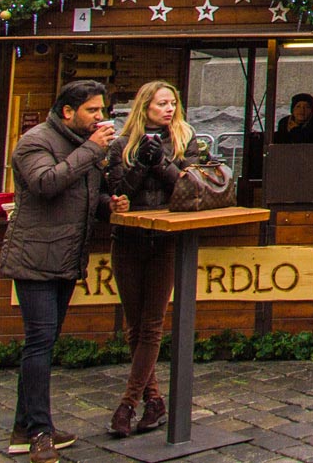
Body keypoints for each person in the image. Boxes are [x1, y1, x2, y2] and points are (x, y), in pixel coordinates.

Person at [0, 80, 127, 463]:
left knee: (44, 342)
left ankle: (25, 426)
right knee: (39, 343)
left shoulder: (80, 146)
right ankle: (39, 432)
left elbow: (84, 196)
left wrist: (109, 205)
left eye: (102, 111)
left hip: (65, 257)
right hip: (34, 258)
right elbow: (45, 183)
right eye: (92, 111)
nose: (99, 118)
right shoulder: (36, 141)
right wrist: (92, 150)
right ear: (68, 111)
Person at [104, 81, 199, 437]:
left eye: (173, 103)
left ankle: (128, 404)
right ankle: (155, 401)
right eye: (162, 103)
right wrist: (141, 164)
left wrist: (160, 162)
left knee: (151, 324)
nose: (169, 109)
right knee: (133, 325)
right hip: (128, 238)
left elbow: (187, 187)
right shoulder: (119, 145)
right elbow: (118, 191)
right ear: (145, 107)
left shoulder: (183, 141)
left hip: (164, 239)